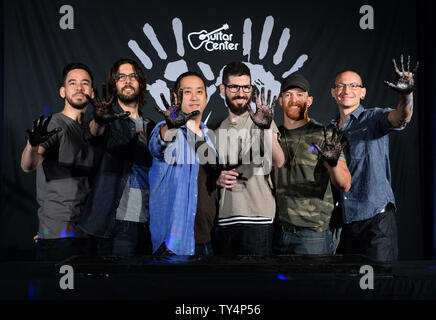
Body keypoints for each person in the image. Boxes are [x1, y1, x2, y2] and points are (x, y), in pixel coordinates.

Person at [330, 54, 418, 262]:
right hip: (346, 222)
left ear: (362, 92)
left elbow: (401, 117)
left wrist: (407, 95)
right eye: (341, 86)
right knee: (349, 288)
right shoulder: (328, 132)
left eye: (353, 85)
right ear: (333, 93)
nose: (346, 90)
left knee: (379, 287)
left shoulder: (374, 118)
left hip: (376, 221)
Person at [21, 62, 97, 261]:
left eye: (85, 83)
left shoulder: (90, 132)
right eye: (72, 83)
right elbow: (29, 165)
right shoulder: (56, 124)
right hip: (58, 234)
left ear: (93, 92)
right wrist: (31, 145)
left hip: (86, 233)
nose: (79, 87)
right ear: (63, 92)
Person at [78, 58, 154, 257]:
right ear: (113, 84)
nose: (127, 81)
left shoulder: (152, 125)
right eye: (121, 77)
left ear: (141, 83)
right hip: (117, 223)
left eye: (133, 76)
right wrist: (99, 121)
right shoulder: (106, 119)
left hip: (149, 223)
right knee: (119, 286)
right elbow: (93, 134)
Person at [272, 74, 351, 255]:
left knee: (312, 284)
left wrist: (333, 162)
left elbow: (345, 184)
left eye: (300, 95)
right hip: (277, 234)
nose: (294, 100)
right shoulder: (273, 134)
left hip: (312, 236)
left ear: (310, 100)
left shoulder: (324, 136)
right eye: (288, 95)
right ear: (280, 101)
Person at [215, 61, 285, 255]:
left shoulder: (261, 121)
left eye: (246, 87)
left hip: (259, 219)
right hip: (227, 219)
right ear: (223, 89)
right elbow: (213, 175)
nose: (241, 92)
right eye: (234, 87)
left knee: (258, 284)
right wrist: (218, 179)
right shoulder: (218, 129)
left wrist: (265, 129)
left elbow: (279, 160)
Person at [148, 71, 218, 256]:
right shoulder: (167, 130)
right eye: (187, 92)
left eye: (199, 92)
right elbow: (157, 146)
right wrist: (170, 126)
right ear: (176, 97)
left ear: (206, 97)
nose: (194, 97)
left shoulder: (210, 137)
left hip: (207, 241)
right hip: (174, 244)